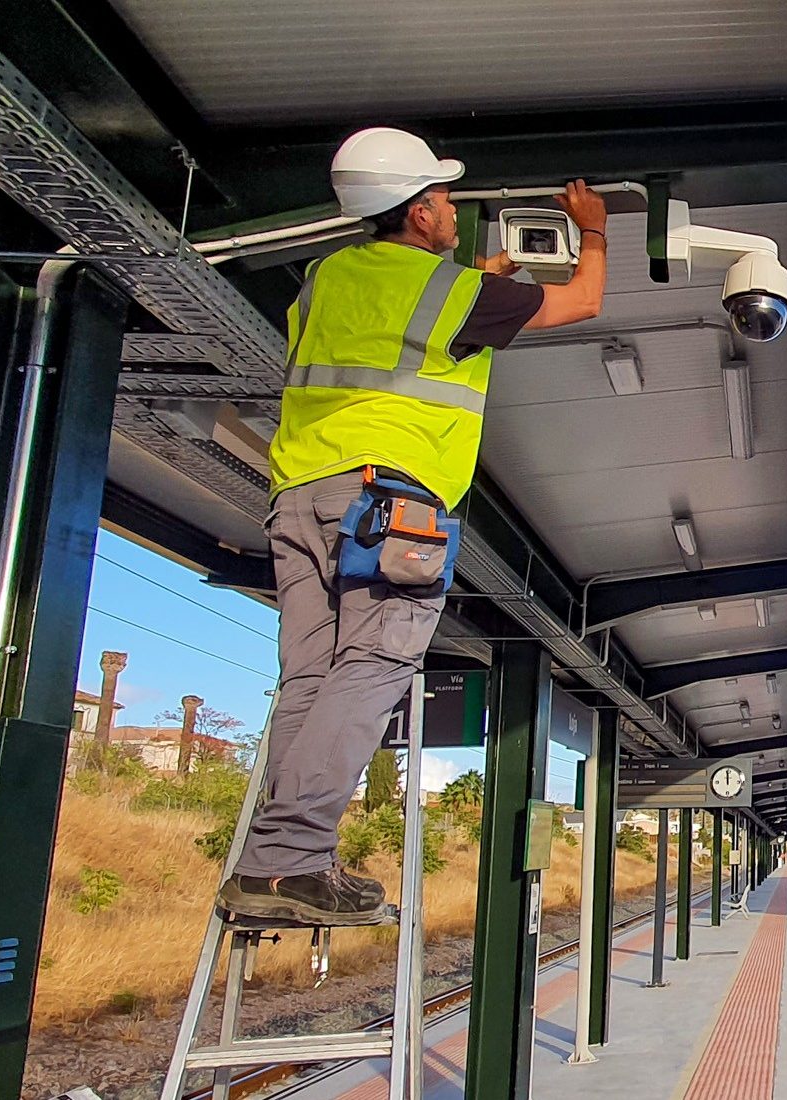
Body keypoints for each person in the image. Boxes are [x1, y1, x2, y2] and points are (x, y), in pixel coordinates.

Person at [217, 127, 607, 925]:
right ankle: (291, 861)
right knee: (373, 666)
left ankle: (271, 866)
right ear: (421, 212)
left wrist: (480, 281)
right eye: (446, 200)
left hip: (299, 495)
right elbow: (584, 301)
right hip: (388, 502)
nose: (454, 211)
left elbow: (397, 325)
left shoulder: (327, 278)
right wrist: (594, 229)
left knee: (309, 678)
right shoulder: (450, 292)